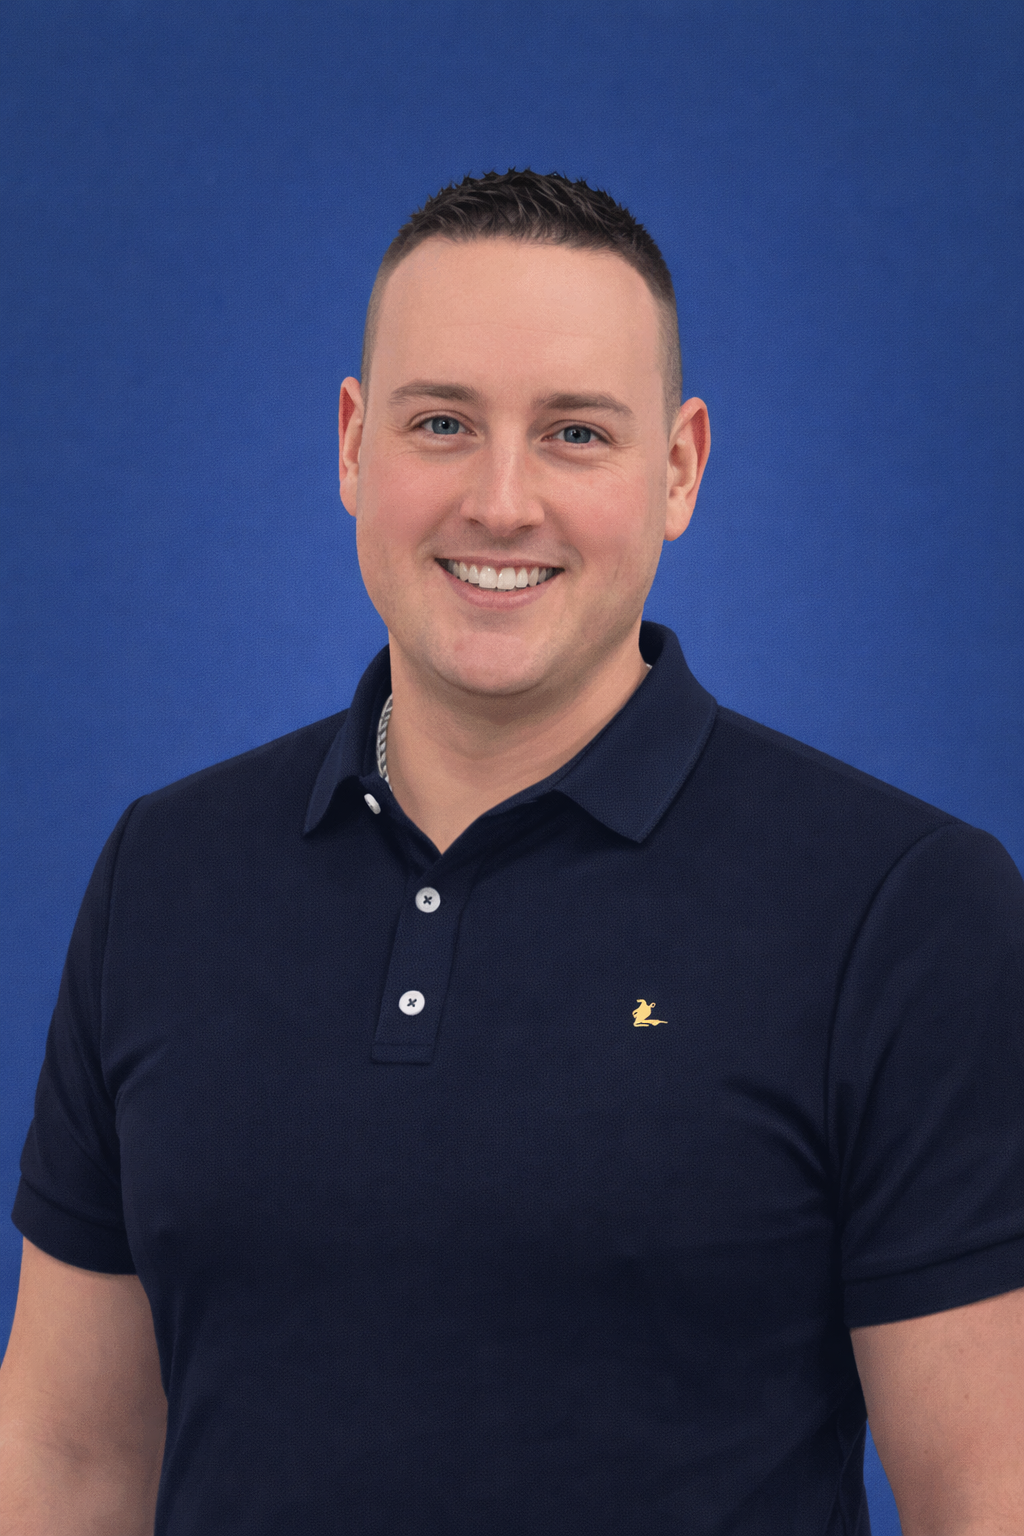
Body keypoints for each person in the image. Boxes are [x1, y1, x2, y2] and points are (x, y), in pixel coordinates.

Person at [1, 169, 1021, 1535]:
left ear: (679, 470)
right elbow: (66, 1463)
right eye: (442, 423)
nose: (500, 501)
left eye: (574, 434)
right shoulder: (165, 874)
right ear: (353, 446)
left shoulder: (903, 906)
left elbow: (990, 1497)